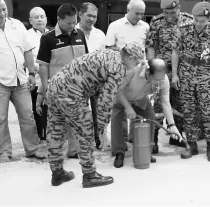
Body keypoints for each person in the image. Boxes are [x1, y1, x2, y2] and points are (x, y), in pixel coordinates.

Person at [45, 42, 145, 188]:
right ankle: (89, 174)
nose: (136, 66)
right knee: (85, 133)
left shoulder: (110, 53)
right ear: (130, 58)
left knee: (55, 130)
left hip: (54, 86)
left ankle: (57, 173)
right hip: (72, 94)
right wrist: (102, 129)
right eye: (137, 62)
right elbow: (105, 101)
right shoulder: (119, 67)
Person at [0, 0, 45, 163]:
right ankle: (3, 152)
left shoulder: (17, 25)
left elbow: (27, 50)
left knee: (27, 115)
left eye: (4, 9)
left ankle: (32, 149)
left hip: (21, 80)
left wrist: (30, 72)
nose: (3, 14)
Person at [171, 2, 210, 162]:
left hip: (205, 77)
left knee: (207, 112)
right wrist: (174, 74)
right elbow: (175, 51)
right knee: (188, 111)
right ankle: (192, 144)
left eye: (202, 20)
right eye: (196, 19)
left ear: (208, 19)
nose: (198, 23)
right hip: (186, 76)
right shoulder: (183, 29)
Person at [36, 4, 88, 159]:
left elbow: (85, 60)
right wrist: (45, 89)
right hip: (58, 89)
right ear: (59, 20)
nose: (72, 26)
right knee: (57, 124)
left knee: (78, 121)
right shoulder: (48, 38)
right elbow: (43, 66)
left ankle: (74, 150)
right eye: (69, 23)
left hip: (79, 88)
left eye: (74, 22)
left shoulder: (79, 34)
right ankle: (56, 155)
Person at [111, 59, 182, 168]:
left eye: (161, 79)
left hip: (140, 99)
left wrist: (172, 125)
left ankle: (145, 152)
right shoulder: (133, 71)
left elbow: (165, 103)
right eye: (156, 79)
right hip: (123, 98)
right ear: (148, 73)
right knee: (118, 120)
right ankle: (119, 153)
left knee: (150, 117)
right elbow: (118, 89)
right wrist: (128, 107)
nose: (159, 82)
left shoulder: (164, 80)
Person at [145, 0, 192, 153]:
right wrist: (151, 69)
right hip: (160, 71)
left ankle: (175, 136)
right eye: (166, 13)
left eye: (172, 12)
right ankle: (153, 140)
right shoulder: (156, 22)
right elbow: (150, 46)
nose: (169, 16)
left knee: (179, 105)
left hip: (181, 71)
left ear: (179, 8)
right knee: (158, 106)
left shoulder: (189, 20)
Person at [105, 0, 149, 155]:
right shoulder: (115, 26)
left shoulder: (145, 27)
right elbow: (109, 50)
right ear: (128, 10)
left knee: (141, 107)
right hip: (121, 72)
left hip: (140, 73)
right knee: (119, 110)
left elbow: (146, 49)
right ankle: (119, 149)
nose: (140, 17)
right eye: (137, 13)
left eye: (142, 14)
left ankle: (138, 143)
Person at [76, 2, 108, 150]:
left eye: (94, 16)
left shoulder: (100, 34)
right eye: (89, 15)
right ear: (80, 14)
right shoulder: (72, 32)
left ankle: (99, 139)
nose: (92, 19)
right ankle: (81, 143)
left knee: (99, 112)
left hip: (96, 80)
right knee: (80, 114)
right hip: (78, 80)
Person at [27, 7, 49, 148]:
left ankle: (51, 136)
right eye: (36, 17)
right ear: (30, 21)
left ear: (46, 19)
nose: (40, 19)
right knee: (37, 110)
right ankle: (41, 138)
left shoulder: (52, 34)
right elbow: (27, 59)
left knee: (50, 109)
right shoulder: (26, 35)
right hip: (35, 79)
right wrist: (41, 70)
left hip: (50, 79)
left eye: (42, 16)